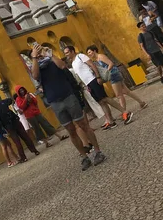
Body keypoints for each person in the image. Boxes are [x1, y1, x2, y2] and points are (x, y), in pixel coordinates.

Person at [30, 43, 106, 171]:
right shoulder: (36, 65)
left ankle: (98, 151)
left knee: (83, 125)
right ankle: (84, 156)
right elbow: (35, 76)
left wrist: (49, 54)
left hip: (68, 96)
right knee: (71, 130)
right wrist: (34, 58)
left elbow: (62, 66)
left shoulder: (53, 60)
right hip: (55, 101)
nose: (39, 53)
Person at [65, 45, 132, 129]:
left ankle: (125, 112)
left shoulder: (80, 56)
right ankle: (111, 121)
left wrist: (98, 77)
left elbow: (92, 65)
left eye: (67, 52)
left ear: (72, 51)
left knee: (105, 98)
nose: (66, 54)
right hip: (88, 84)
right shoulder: (73, 63)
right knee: (101, 102)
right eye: (65, 53)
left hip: (93, 80)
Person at [86, 45, 147, 115]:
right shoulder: (96, 60)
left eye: (90, 52)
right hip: (114, 74)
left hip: (113, 75)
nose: (89, 54)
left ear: (94, 51)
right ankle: (142, 103)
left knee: (119, 95)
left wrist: (106, 72)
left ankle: (124, 112)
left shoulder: (101, 56)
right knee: (127, 91)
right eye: (88, 53)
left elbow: (111, 63)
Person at [0, 96, 40, 162]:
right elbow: (9, 100)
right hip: (16, 121)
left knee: (17, 142)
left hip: (8, 126)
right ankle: (35, 151)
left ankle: (23, 158)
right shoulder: (2, 102)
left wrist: (1, 131)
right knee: (26, 137)